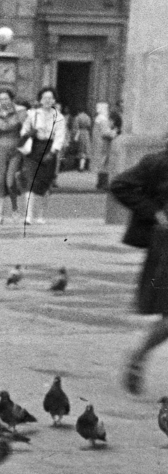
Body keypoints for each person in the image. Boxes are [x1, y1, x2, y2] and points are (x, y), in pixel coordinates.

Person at [111, 142, 168, 393]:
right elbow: (120, 185)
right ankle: (139, 356)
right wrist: (155, 213)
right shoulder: (158, 163)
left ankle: (139, 356)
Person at [18, 87, 66, 225]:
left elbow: (60, 136)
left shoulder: (59, 117)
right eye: (45, 98)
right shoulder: (33, 114)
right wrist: (29, 133)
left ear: (54, 100)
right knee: (29, 181)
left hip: (49, 149)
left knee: (45, 183)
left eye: (50, 98)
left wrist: (53, 152)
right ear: (40, 99)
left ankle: (41, 215)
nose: (47, 101)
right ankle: (28, 215)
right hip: (33, 148)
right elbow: (24, 130)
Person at [0, 88, 24, 224]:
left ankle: (15, 208)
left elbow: (26, 130)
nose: (3, 101)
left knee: (10, 181)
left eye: (6, 98)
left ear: (11, 99)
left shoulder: (20, 111)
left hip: (16, 150)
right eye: (1, 99)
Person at [95, 102, 117, 190]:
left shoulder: (98, 119)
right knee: (104, 162)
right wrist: (114, 132)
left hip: (99, 142)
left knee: (102, 162)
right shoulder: (103, 119)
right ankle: (103, 183)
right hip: (103, 143)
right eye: (106, 109)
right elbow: (105, 132)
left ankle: (100, 182)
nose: (107, 110)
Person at [70, 107, 93, 172]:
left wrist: (74, 136)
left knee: (81, 150)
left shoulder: (77, 117)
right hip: (86, 133)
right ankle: (84, 165)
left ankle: (81, 166)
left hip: (80, 133)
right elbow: (89, 125)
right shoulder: (88, 117)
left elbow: (75, 127)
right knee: (86, 150)